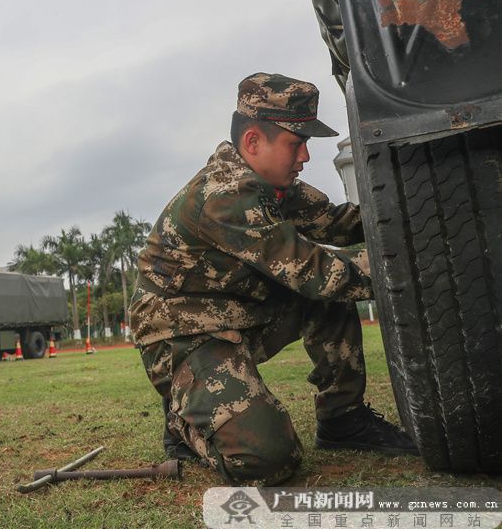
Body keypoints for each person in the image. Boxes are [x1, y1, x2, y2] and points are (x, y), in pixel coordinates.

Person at [130, 72, 417, 486]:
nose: (304, 157)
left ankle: (343, 420)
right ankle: (183, 421)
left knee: (323, 298)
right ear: (253, 143)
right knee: (268, 461)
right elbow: (318, 274)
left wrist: (419, 214)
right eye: (296, 144)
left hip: (237, 315)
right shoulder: (226, 196)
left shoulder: (275, 187)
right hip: (182, 338)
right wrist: (410, 262)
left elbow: (339, 224)